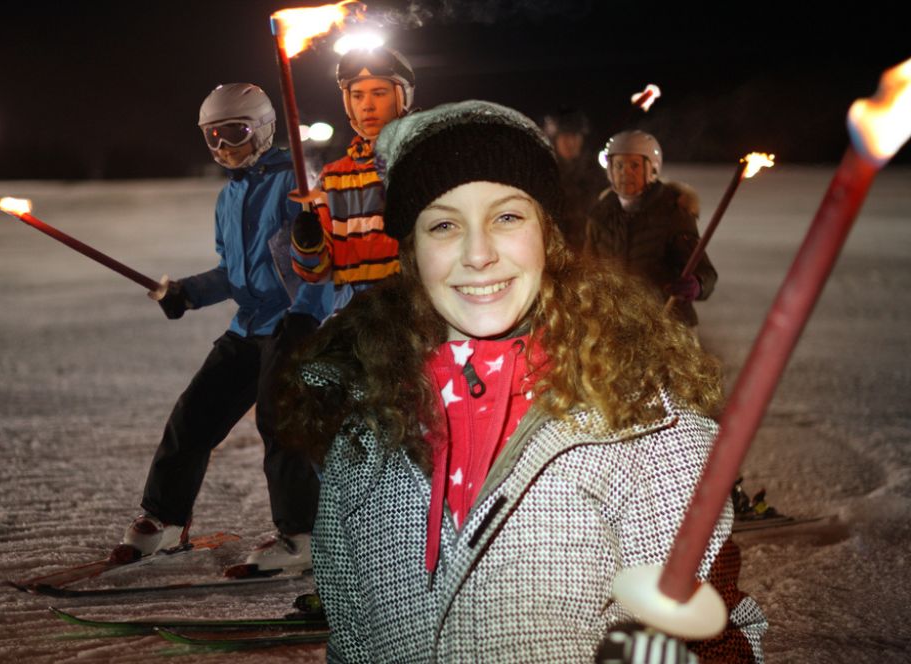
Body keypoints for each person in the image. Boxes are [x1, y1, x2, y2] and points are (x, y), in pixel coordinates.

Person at [279, 101, 766, 661]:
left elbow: (722, 633)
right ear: (411, 252)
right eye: (443, 224)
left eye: (507, 217)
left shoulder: (645, 430)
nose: (479, 254)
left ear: (548, 236)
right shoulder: (365, 433)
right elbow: (354, 643)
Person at [110, 83, 333, 574]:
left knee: (281, 425)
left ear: (265, 129)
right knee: (193, 416)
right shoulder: (228, 197)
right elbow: (235, 274)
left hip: (294, 323)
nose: (224, 147)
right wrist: (186, 292)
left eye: (236, 133)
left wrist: (308, 312)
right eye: (213, 137)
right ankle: (165, 519)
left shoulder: (298, 181)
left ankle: (301, 536)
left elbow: (325, 263)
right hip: (248, 325)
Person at [289, 46, 415, 311]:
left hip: (413, 316)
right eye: (357, 96)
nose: (367, 105)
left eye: (379, 94)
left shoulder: (423, 163)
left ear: (402, 96)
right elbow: (316, 273)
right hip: (352, 320)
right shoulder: (333, 178)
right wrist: (308, 246)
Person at [584, 130, 717, 326]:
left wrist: (697, 284)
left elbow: (705, 272)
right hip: (614, 325)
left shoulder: (672, 212)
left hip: (665, 326)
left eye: (634, 165)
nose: (625, 173)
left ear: (652, 169)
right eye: (619, 165)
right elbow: (587, 270)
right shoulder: (600, 215)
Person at [542, 105, 606, 249]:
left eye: (575, 136)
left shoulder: (595, 172)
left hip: (589, 251)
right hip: (554, 252)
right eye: (565, 136)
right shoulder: (544, 173)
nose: (571, 142)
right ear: (554, 139)